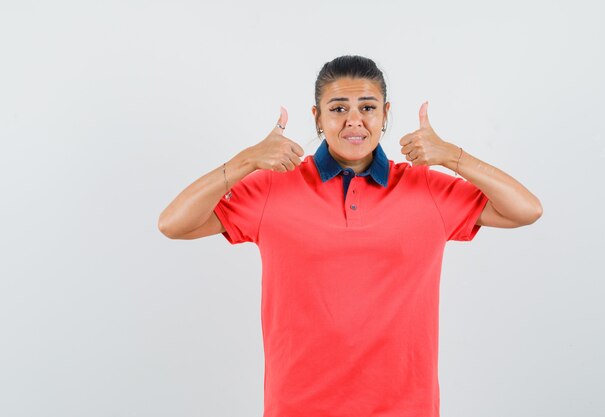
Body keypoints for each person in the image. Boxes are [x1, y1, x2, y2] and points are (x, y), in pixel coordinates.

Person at [158, 55, 543, 417]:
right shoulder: (274, 187)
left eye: (368, 107)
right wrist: (246, 160)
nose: (354, 121)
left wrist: (451, 156)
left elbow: (526, 210)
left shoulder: (424, 188)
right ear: (317, 117)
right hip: (297, 405)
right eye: (338, 108)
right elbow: (174, 223)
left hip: (405, 406)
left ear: (386, 114)